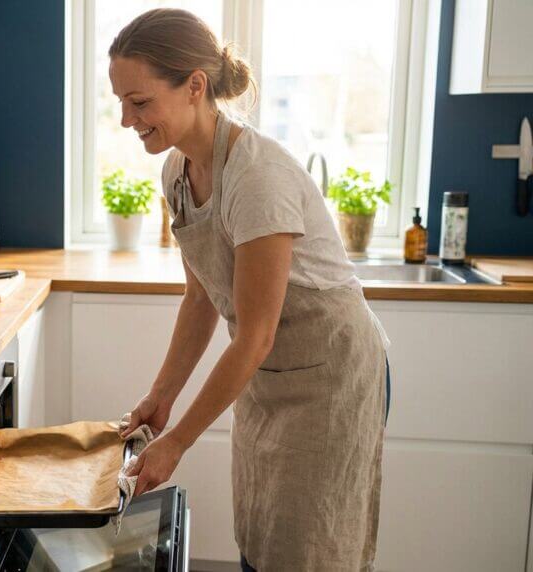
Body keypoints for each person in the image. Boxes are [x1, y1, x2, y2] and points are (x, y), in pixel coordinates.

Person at [109, 9, 390, 571]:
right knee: (262, 535)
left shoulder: (258, 178)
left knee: (310, 550)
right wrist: (161, 398)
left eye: (139, 103)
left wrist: (179, 441)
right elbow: (201, 298)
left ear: (194, 86)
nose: (125, 120)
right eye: (120, 102)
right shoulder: (177, 173)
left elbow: (254, 333)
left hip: (330, 376)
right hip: (266, 375)